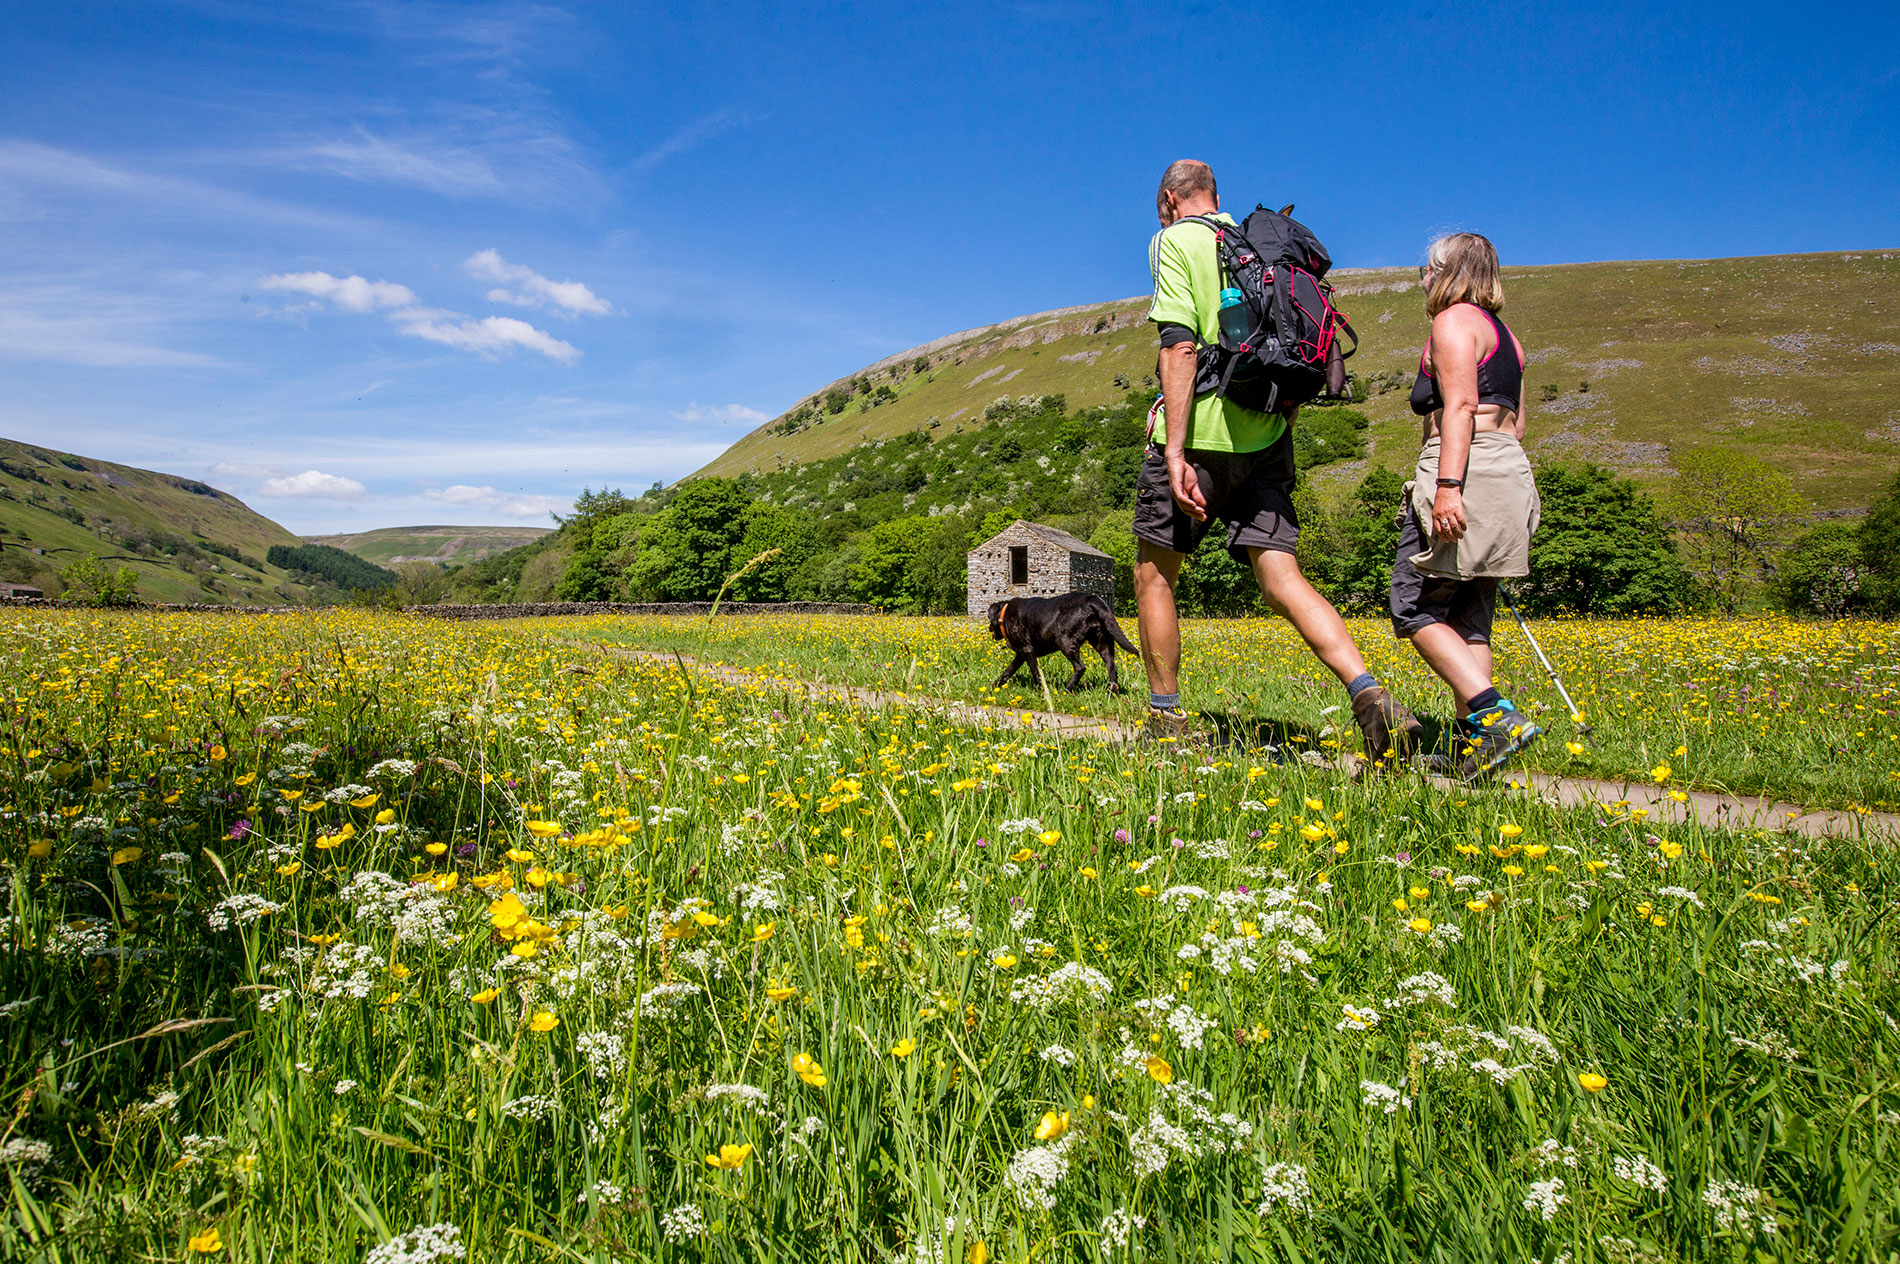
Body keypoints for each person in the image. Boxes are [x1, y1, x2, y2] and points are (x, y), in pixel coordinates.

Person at [1133, 159, 1423, 766]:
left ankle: (1164, 719)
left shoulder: (1175, 241)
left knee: (1156, 573)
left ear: (1168, 199)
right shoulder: (1257, 244)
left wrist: (1178, 451)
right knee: (1282, 579)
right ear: (1217, 195)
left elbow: (1180, 346)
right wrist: (1277, 427)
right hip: (1266, 434)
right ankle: (1367, 690)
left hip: (1202, 430)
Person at [1392, 231, 1543, 778]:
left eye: (1428, 268)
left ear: (1448, 271)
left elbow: (1458, 408)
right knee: (1470, 621)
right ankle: (1474, 752)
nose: (1422, 278)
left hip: (1464, 469)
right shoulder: (1508, 339)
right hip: (1506, 472)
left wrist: (1448, 486)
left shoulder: (1453, 322)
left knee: (1414, 608)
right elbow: (1517, 423)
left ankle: (1493, 714)